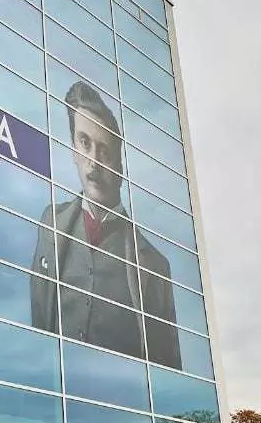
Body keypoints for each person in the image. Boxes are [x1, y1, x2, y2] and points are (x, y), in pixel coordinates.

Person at [29, 81, 181, 368]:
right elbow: (40, 325)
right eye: (84, 143)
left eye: (105, 151)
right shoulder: (50, 225)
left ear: (120, 167)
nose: (93, 163)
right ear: (73, 149)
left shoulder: (155, 267)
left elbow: (166, 367)